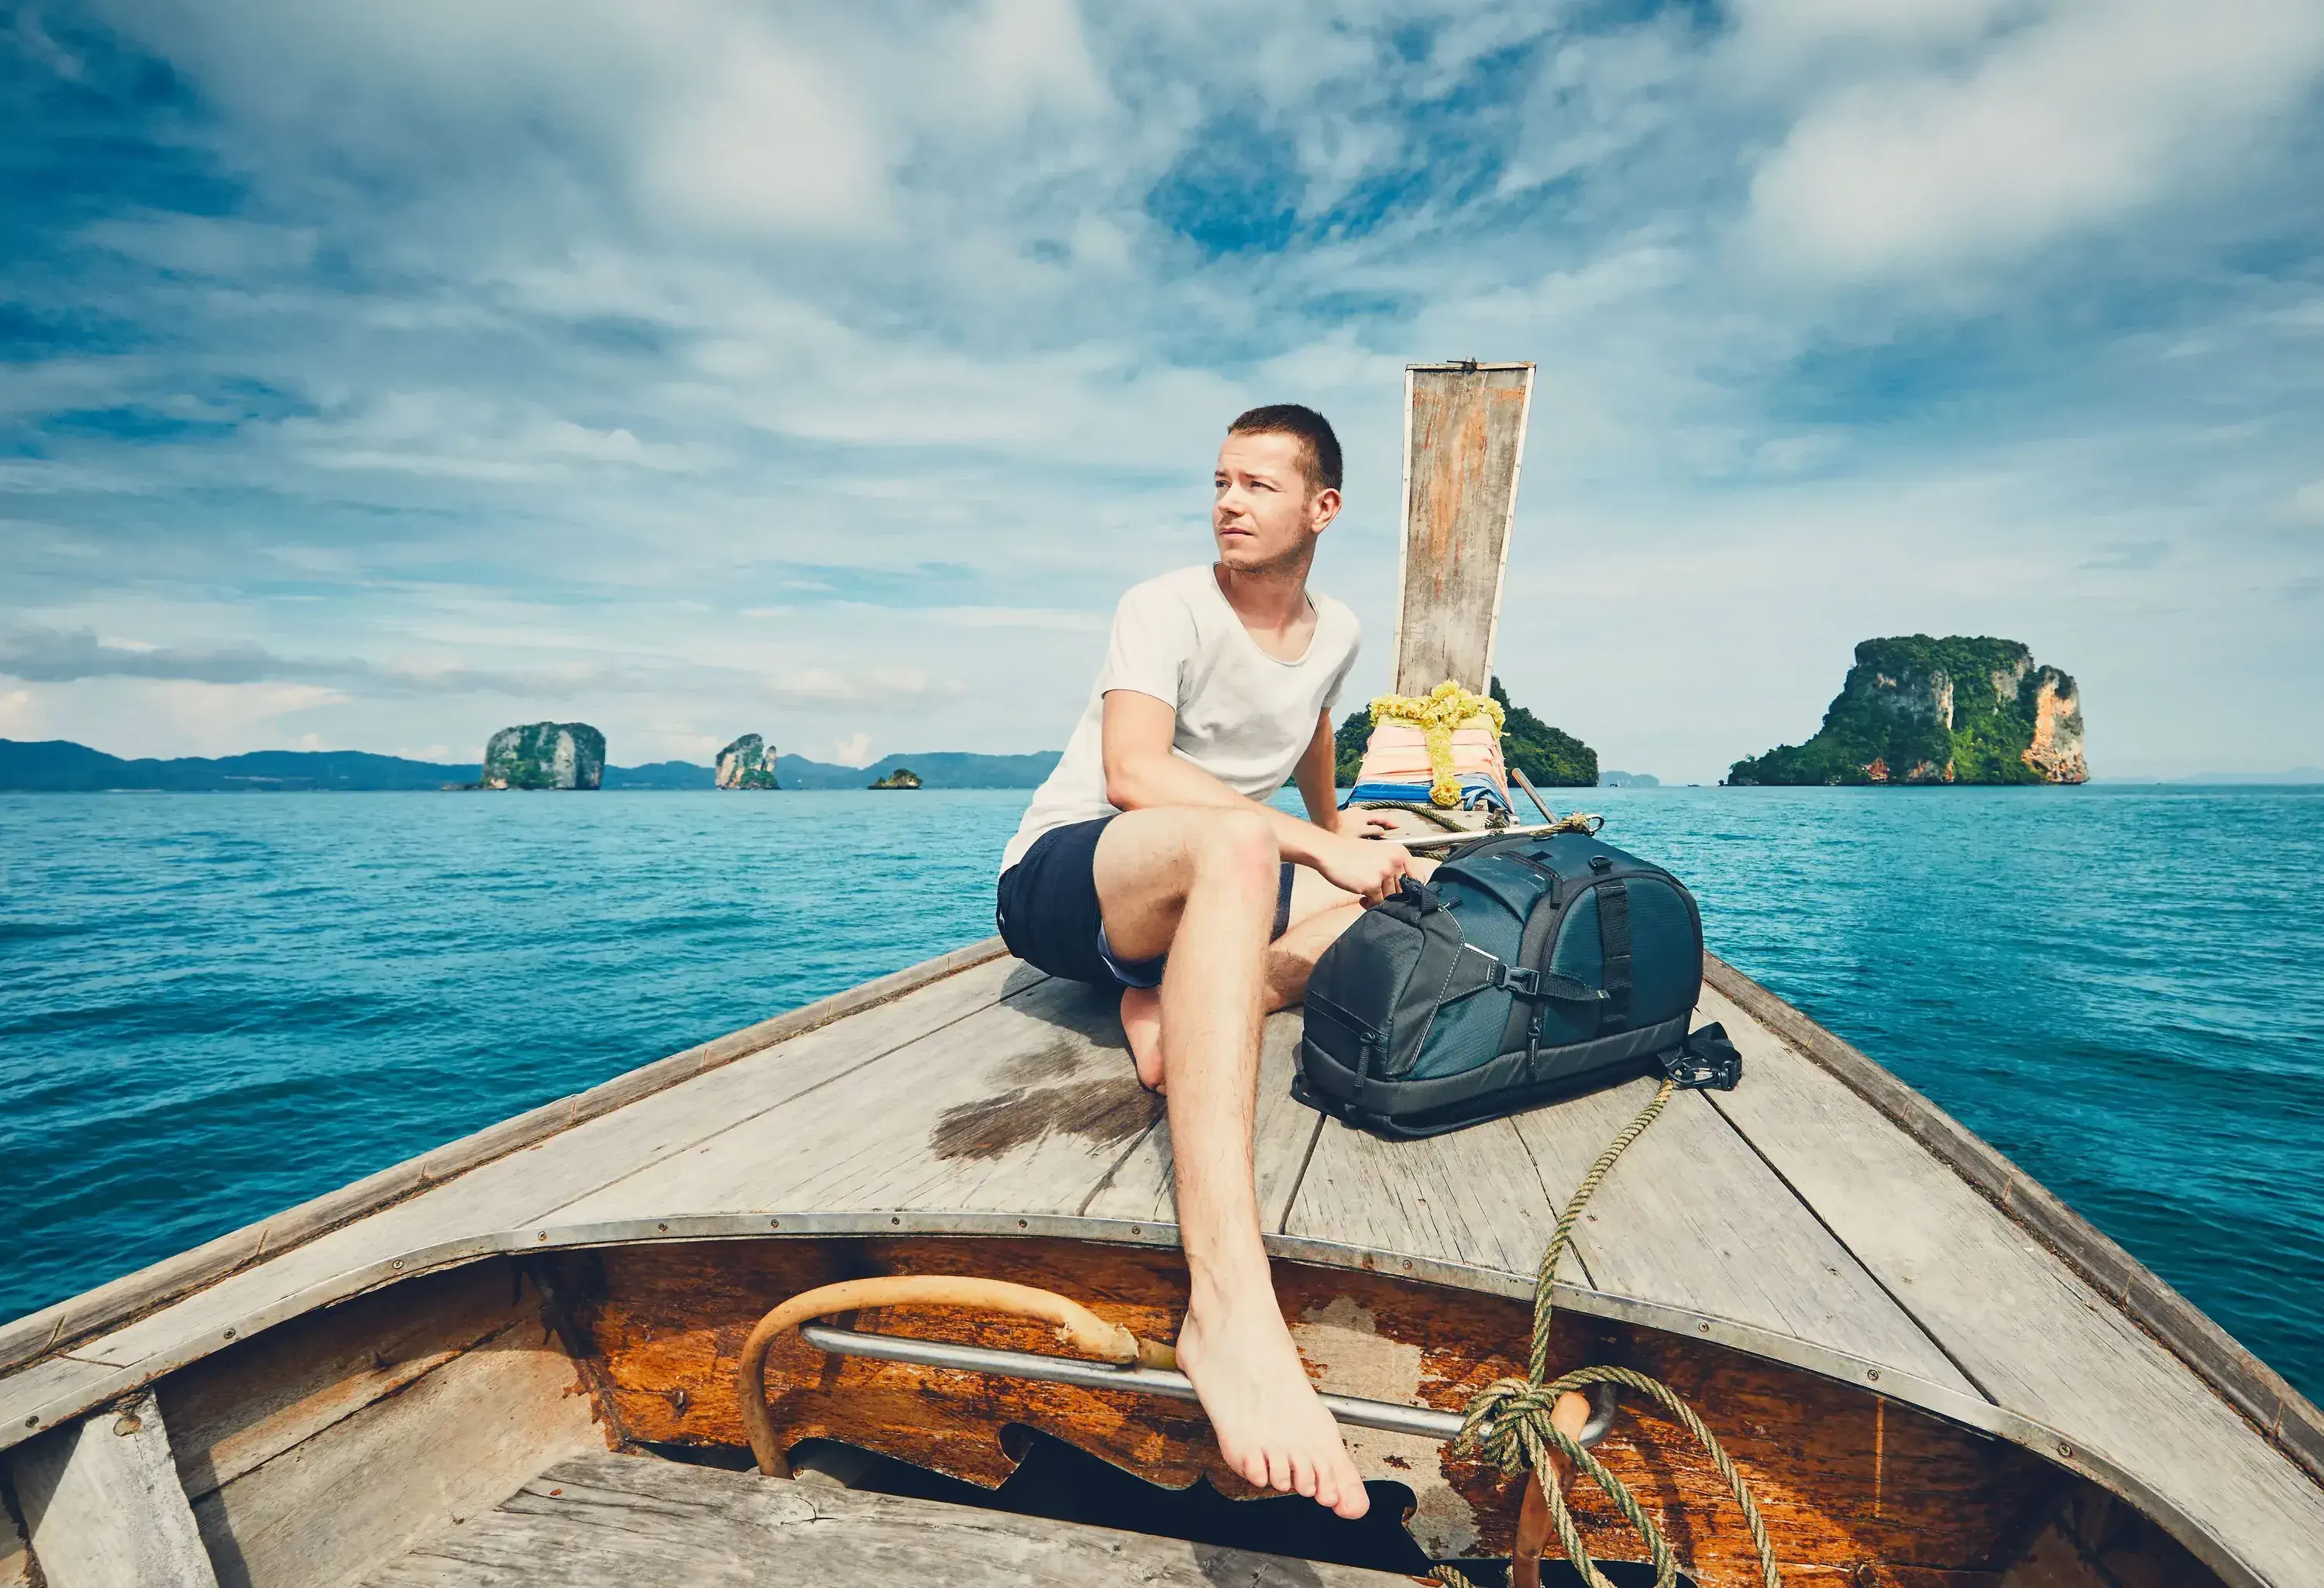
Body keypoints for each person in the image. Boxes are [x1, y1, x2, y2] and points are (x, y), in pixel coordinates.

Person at [995, 403, 1409, 1520]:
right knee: (1242, 838)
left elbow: (1314, 719)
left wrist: (1344, 826)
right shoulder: (1163, 605)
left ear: (1323, 508)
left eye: (1259, 485)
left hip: (1221, 872)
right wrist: (1306, 841)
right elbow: (1132, 769)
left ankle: (1174, 995)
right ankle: (1228, 1302)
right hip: (1077, 873)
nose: (1229, 501)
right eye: (1221, 481)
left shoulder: (1341, 628)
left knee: (1406, 900)